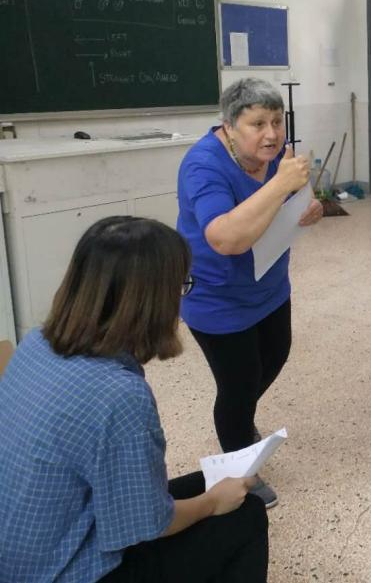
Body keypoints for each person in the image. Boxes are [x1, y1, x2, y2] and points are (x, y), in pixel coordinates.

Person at [0, 217, 268, 583]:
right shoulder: (120, 395)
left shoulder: (35, 344)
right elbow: (147, 526)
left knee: (210, 484)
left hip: (23, 556)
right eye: (181, 286)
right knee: (245, 515)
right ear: (153, 302)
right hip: (62, 572)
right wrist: (211, 504)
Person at [177, 77, 323, 508]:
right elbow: (226, 238)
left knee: (274, 356)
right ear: (229, 126)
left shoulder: (276, 156)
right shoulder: (203, 165)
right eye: (257, 124)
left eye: (277, 121)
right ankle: (239, 467)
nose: (272, 134)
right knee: (238, 385)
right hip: (217, 295)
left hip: (269, 284)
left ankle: (238, 421)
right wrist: (279, 185)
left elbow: (294, 200)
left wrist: (309, 208)